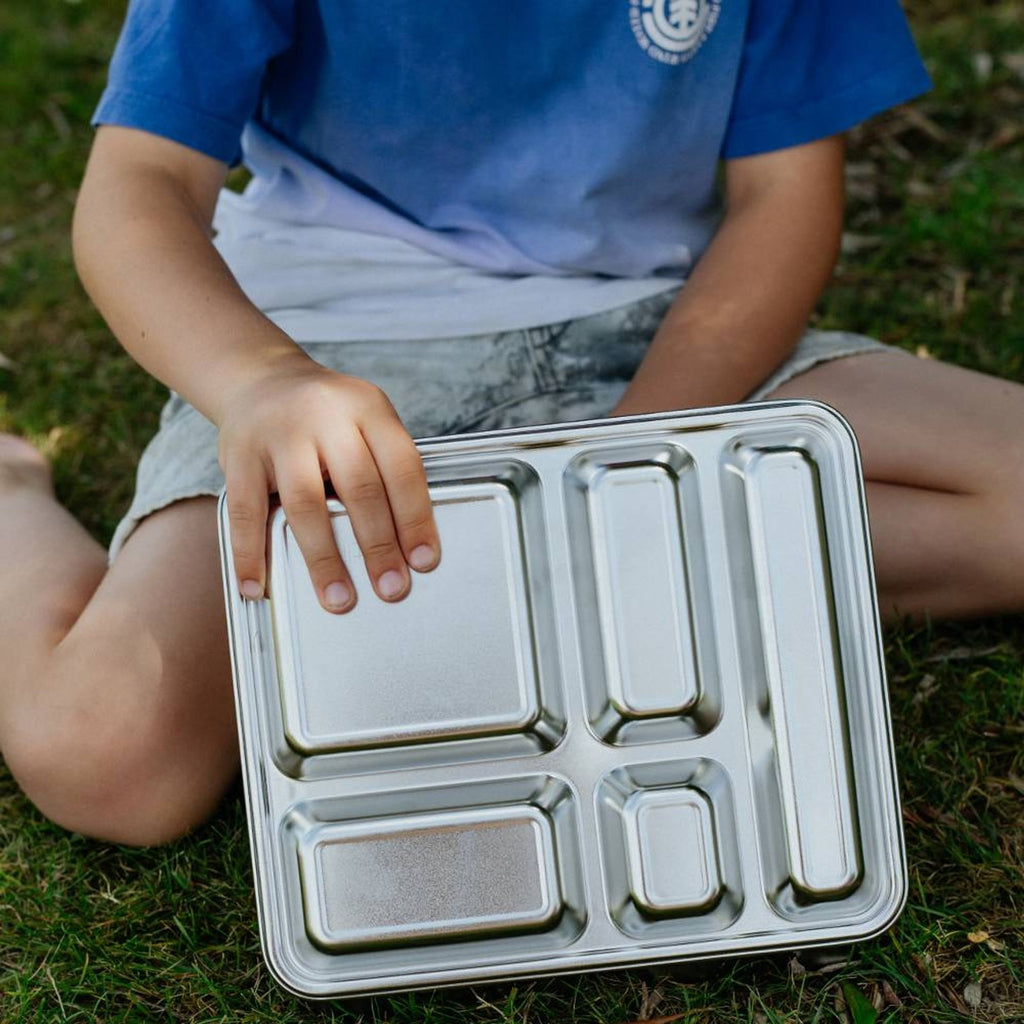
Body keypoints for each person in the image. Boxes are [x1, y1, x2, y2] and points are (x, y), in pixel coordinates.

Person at [1, 0, 1022, 848]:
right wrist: (264, 381)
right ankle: (11, 495)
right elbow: (137, 188)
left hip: (659, 337)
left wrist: (636, 456)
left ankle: (510, 591)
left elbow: (784, 199)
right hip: (333, 350)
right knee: (106, 754)